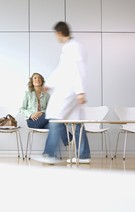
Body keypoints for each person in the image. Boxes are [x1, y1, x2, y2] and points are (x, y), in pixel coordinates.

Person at [34, 21, 91, 164]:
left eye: (55, 34)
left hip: (71, 90)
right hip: (73, 90)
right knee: (77, 122)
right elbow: (62, 70)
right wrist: (50, 84)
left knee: (55, 118)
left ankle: (49, 154)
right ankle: (84, 155)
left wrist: (79, 91)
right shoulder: (72, 47)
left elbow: (75, 70)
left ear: (59, 33)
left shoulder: (72, 48)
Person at [20, 72, 71, 146]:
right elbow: (22, 108)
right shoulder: (27, 94)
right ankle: (70, 139)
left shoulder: (47, 95)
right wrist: (31, 115)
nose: (37, 79)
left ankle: (47, 154)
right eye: (35, 78)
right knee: (55, 118)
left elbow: (50, 110)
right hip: (32, 121)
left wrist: (41, 112)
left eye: (39, 78)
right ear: (32, 81)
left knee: (56, 126)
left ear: (42, 81)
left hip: (44, 120)